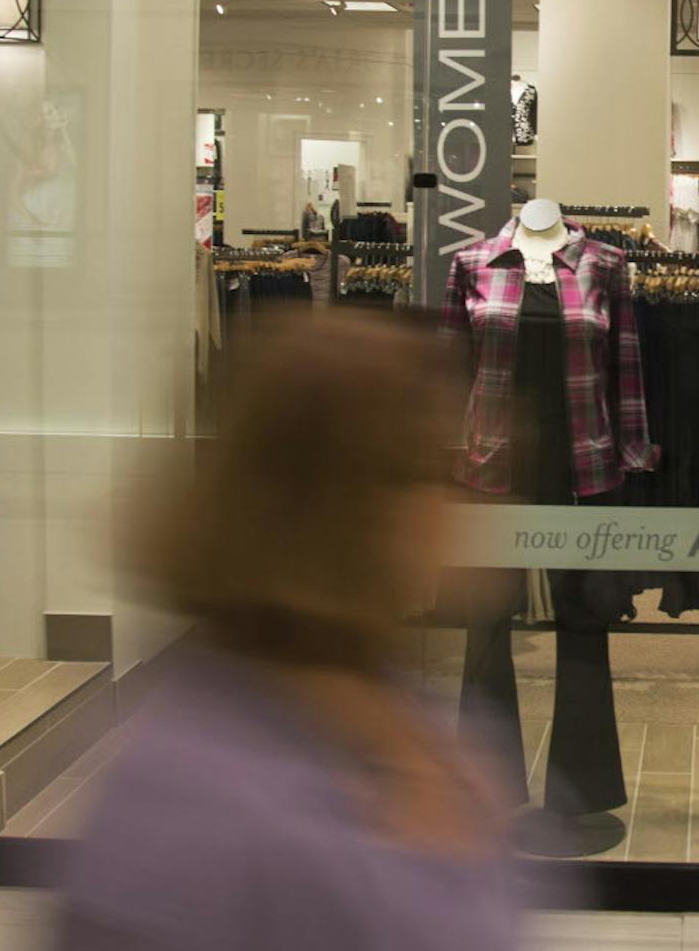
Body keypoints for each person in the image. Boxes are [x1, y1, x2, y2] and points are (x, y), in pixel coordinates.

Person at [58, 313, 521, 951]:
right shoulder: (193, 805)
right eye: (421, 475)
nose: (455, 507)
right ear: (338, 506)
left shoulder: (395, 710)